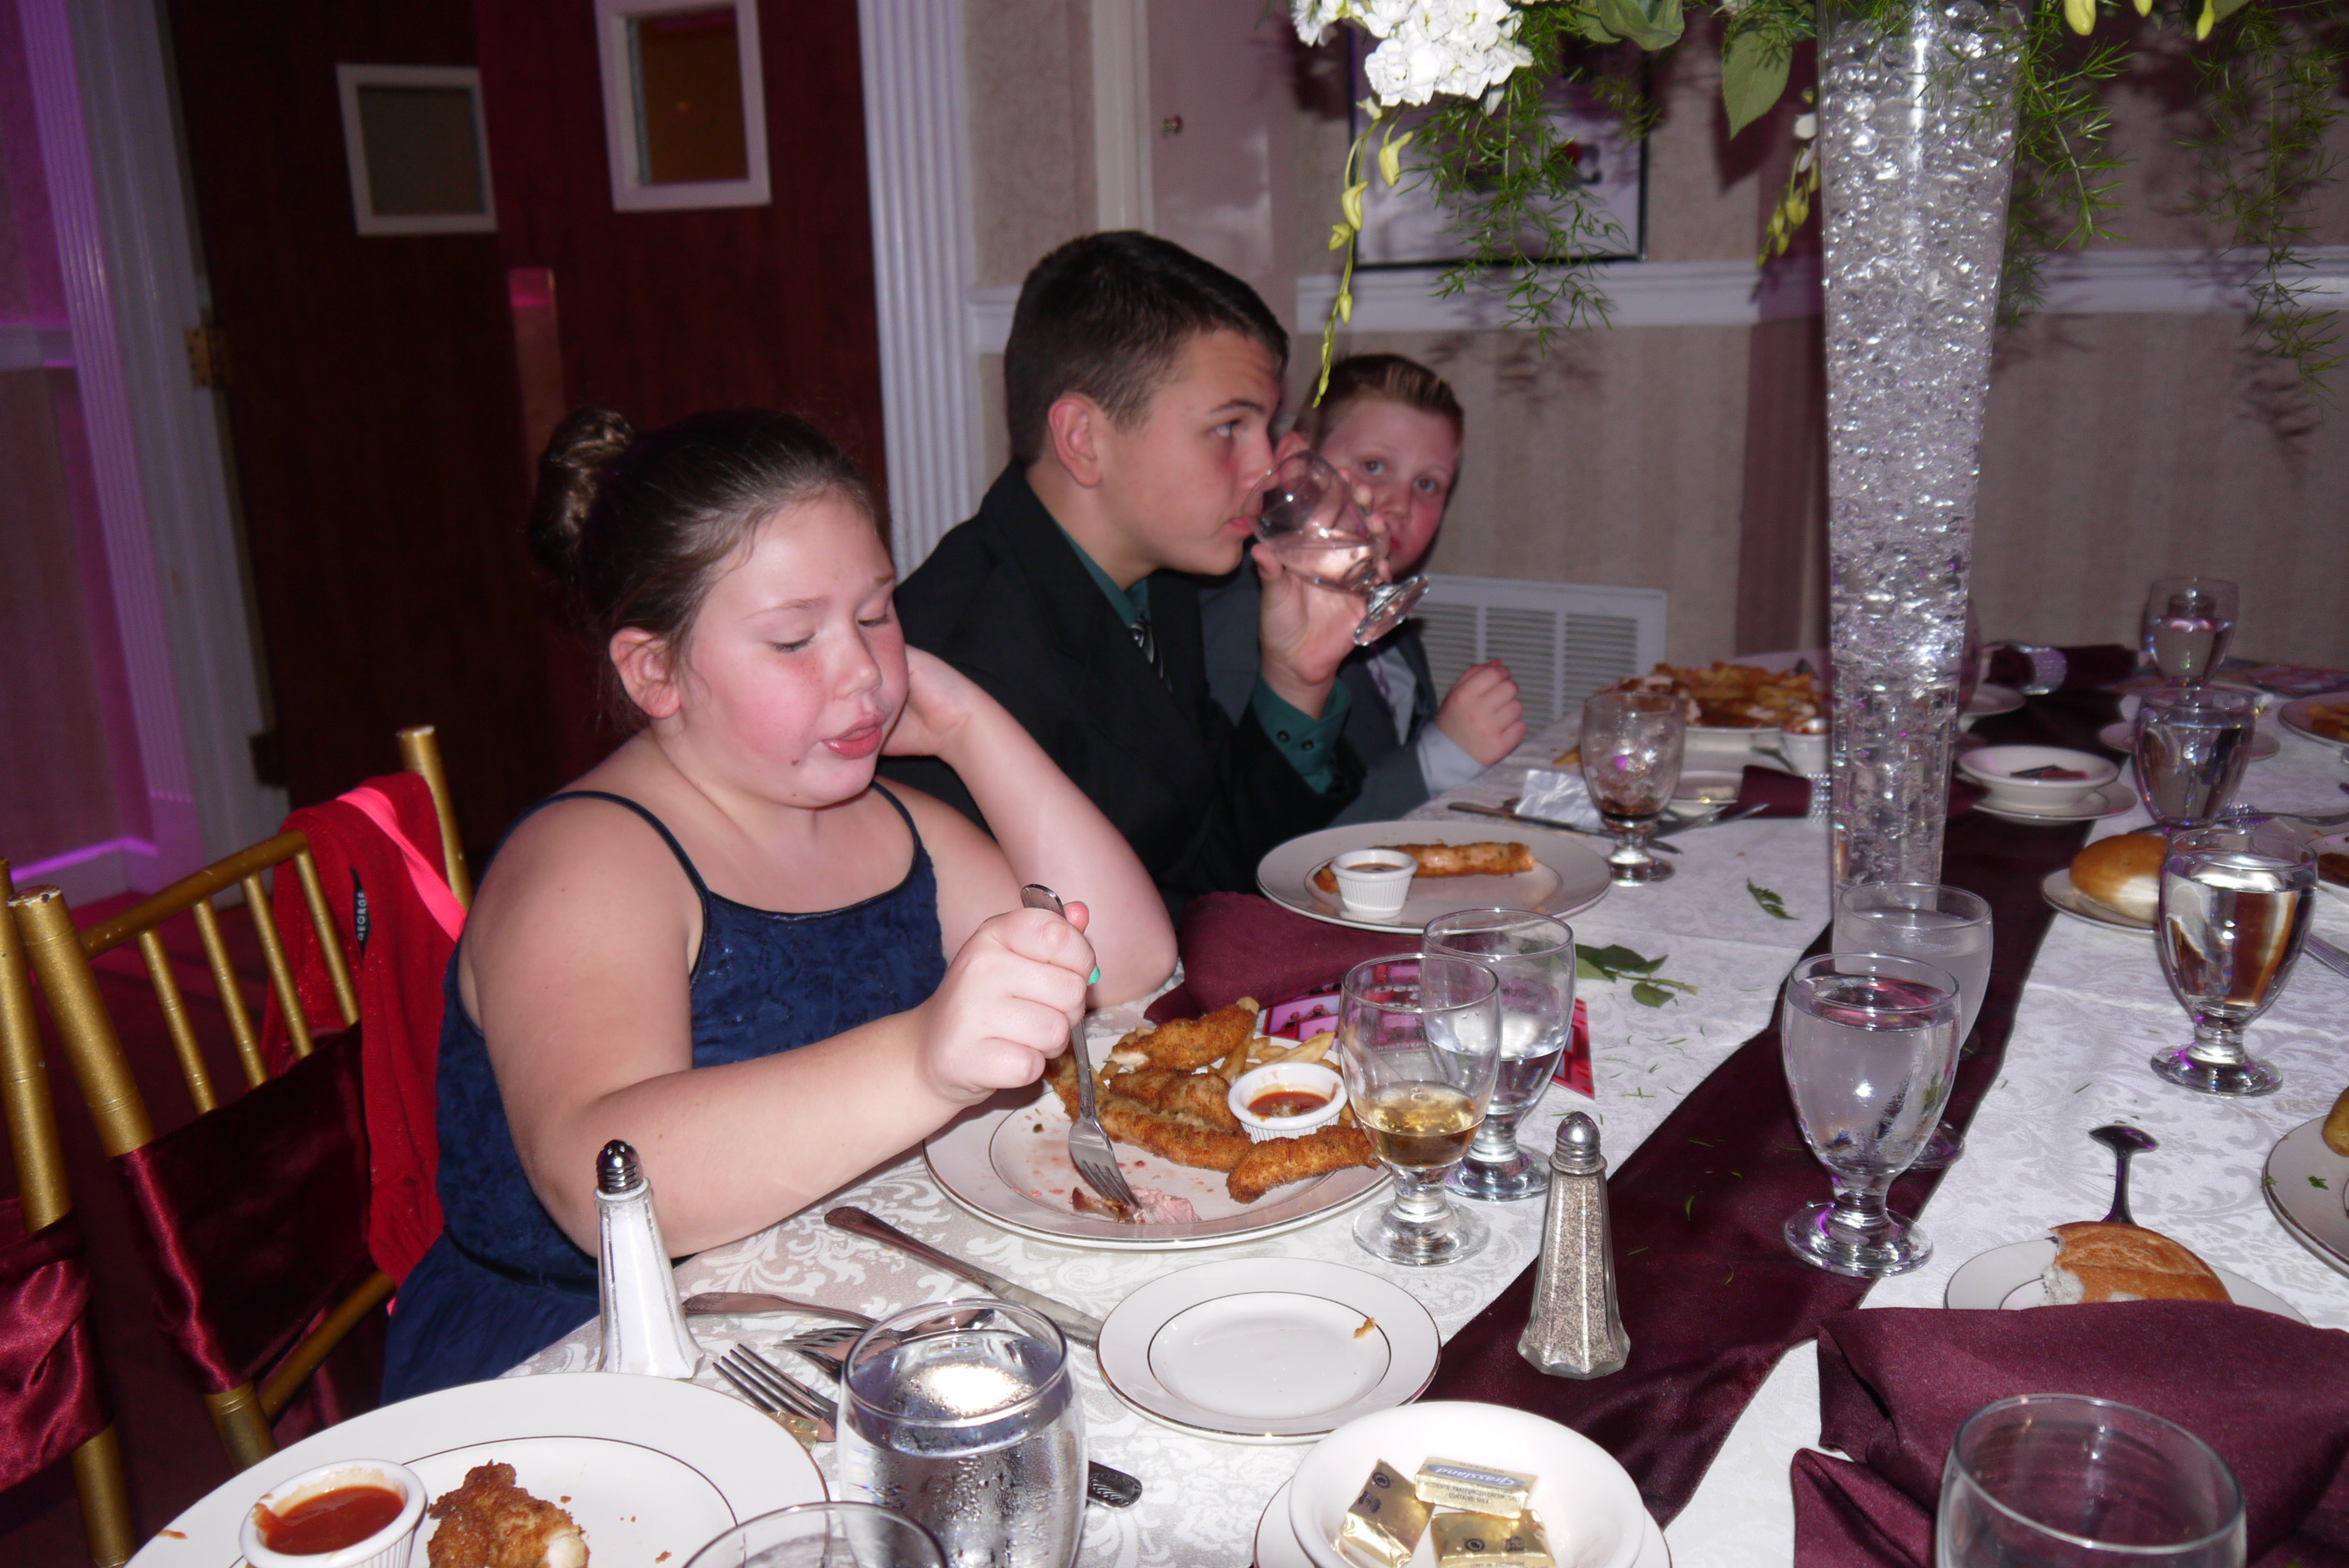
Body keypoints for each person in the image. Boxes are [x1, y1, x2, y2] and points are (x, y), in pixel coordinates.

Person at [382, 408, 1174, 1399]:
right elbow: (602, 1175)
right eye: (795, 639)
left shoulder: (889, 822)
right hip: (587, 1354)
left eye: (876, 615)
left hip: (817, 1297)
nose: (862, 672)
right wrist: (921, 1059)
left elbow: (1127, 967)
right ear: (655, 672)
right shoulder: (586, 862)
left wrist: (970, 725)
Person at [879, 232, 1370, 912]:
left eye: (1265, 427)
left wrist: (1297, 677)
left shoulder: (1153, 584)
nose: (1265, 468)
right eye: (1229, 426)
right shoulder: (961, 662)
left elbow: (1214, 865)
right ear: (1083, 440)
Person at [1202, 354, 1524, 823]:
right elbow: (1265, 829)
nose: (1400, 504)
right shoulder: (1242, 620)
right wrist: (1442, 756)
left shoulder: (1389, 615)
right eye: (1374, 465)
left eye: (1427, 484)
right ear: (1296, 465)